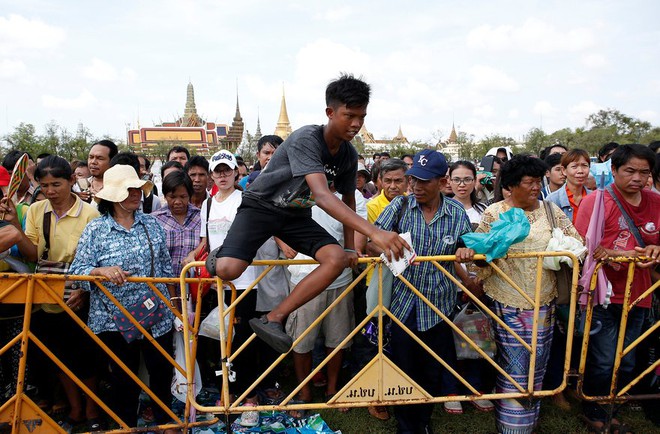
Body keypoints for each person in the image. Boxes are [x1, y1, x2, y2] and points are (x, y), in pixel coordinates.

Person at [204, 74, 409, 354]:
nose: (356, 124)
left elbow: (349, 199)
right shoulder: (306, 138)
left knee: (335, 258)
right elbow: (323, 196)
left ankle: (273, 318)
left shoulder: (348, 154)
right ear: (330, 112)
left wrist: (350, 246)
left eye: (361, 117)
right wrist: (375, 232)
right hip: (261, 207)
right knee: (229, 269)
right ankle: (218, 257)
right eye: (349, 115)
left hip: (296, 215)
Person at [368, 149, 475, 434]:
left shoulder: (456, 214)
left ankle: (423, 420)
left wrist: (467, 251)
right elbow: (370, 243)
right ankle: (407, 426)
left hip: (438, 307)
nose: (415, 187)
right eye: (413, 180)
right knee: (404, 368)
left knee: (431, 370)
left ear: (442, 183)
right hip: (403, 305)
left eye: (423, 182)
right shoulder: (400, 207)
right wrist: (387, 245)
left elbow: (466, 247)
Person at [473, 155, 582, 434]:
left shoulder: (550, 210)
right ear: (510, 186)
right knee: (515, 366)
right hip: (508, 300)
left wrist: (563, 251)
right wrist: (488, 251)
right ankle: (512, 427)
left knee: (538, 363)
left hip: (544, 301)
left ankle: (528, 422)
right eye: (529, 182)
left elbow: (577, 242)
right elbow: (478, 256)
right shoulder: (494, 213)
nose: (536, 187)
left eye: (538, 182)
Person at [69, 165, 180, 433]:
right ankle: (126, 425)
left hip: (156, 316)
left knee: (161, 371)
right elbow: (76, 272)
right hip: (114, 319)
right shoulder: (96, 229)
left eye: (137, 189)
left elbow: (165, 269)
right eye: (129, 189)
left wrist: (175, 308)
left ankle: (164, 421)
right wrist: (100, 271)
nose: (136, 194)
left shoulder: (151, 223)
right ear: (113, 196)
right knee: (123, 377)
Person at [0, 156, 103, 431]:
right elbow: (32, 254)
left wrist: (83, 288)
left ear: (71, 181)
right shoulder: (36, 210)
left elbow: (94, 258)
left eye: (56, 184)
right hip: (45, 290)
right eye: (44, 185)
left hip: (80, 289)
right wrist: (16, 228)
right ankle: (76, 409)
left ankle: (92, 410)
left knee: (85, 356)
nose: (50, 190)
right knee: (56, 354)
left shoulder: (91, 214)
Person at [575, 144, 660, 433]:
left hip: (641, 296)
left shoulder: (656, 201)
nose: (638, 178)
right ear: (613, 171)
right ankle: (594, 411)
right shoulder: (596, 201)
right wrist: (616, 255)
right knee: (604, 359)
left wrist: (652, 251)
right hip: (603, 294)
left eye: (644, 172)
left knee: (626, 360)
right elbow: (583, 249)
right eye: (630, 171)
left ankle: (610, 407)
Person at [285, 185, 366, 411]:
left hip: (340, 279)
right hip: (303, 278)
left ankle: (332, 390)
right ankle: (304, 392)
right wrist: (281, 241)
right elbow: (274, 217)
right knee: (302, 341)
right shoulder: (295, 189)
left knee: (337, 341)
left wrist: (354, 249)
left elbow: (358, 230)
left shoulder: (352, 193)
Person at [152, 171, 201, 278]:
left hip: (195, 287)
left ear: (190, 195)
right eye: (172, 197)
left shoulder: (200, 217)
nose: (178, 201)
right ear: (165, 196)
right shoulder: (154, 221)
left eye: (183, 197)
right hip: (164, 286)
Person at [547, 149, 591, 223]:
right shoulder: (552, 200)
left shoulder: (596, 198)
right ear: (564, 170)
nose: (580, 171)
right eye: (574, 166)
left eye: (584, 166)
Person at [366, 158, 409, 224]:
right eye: (388, 181)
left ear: (408, 181)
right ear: (381, 181)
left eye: (398, 181)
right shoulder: (372, 207)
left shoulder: (413, 203)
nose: (393, 186)